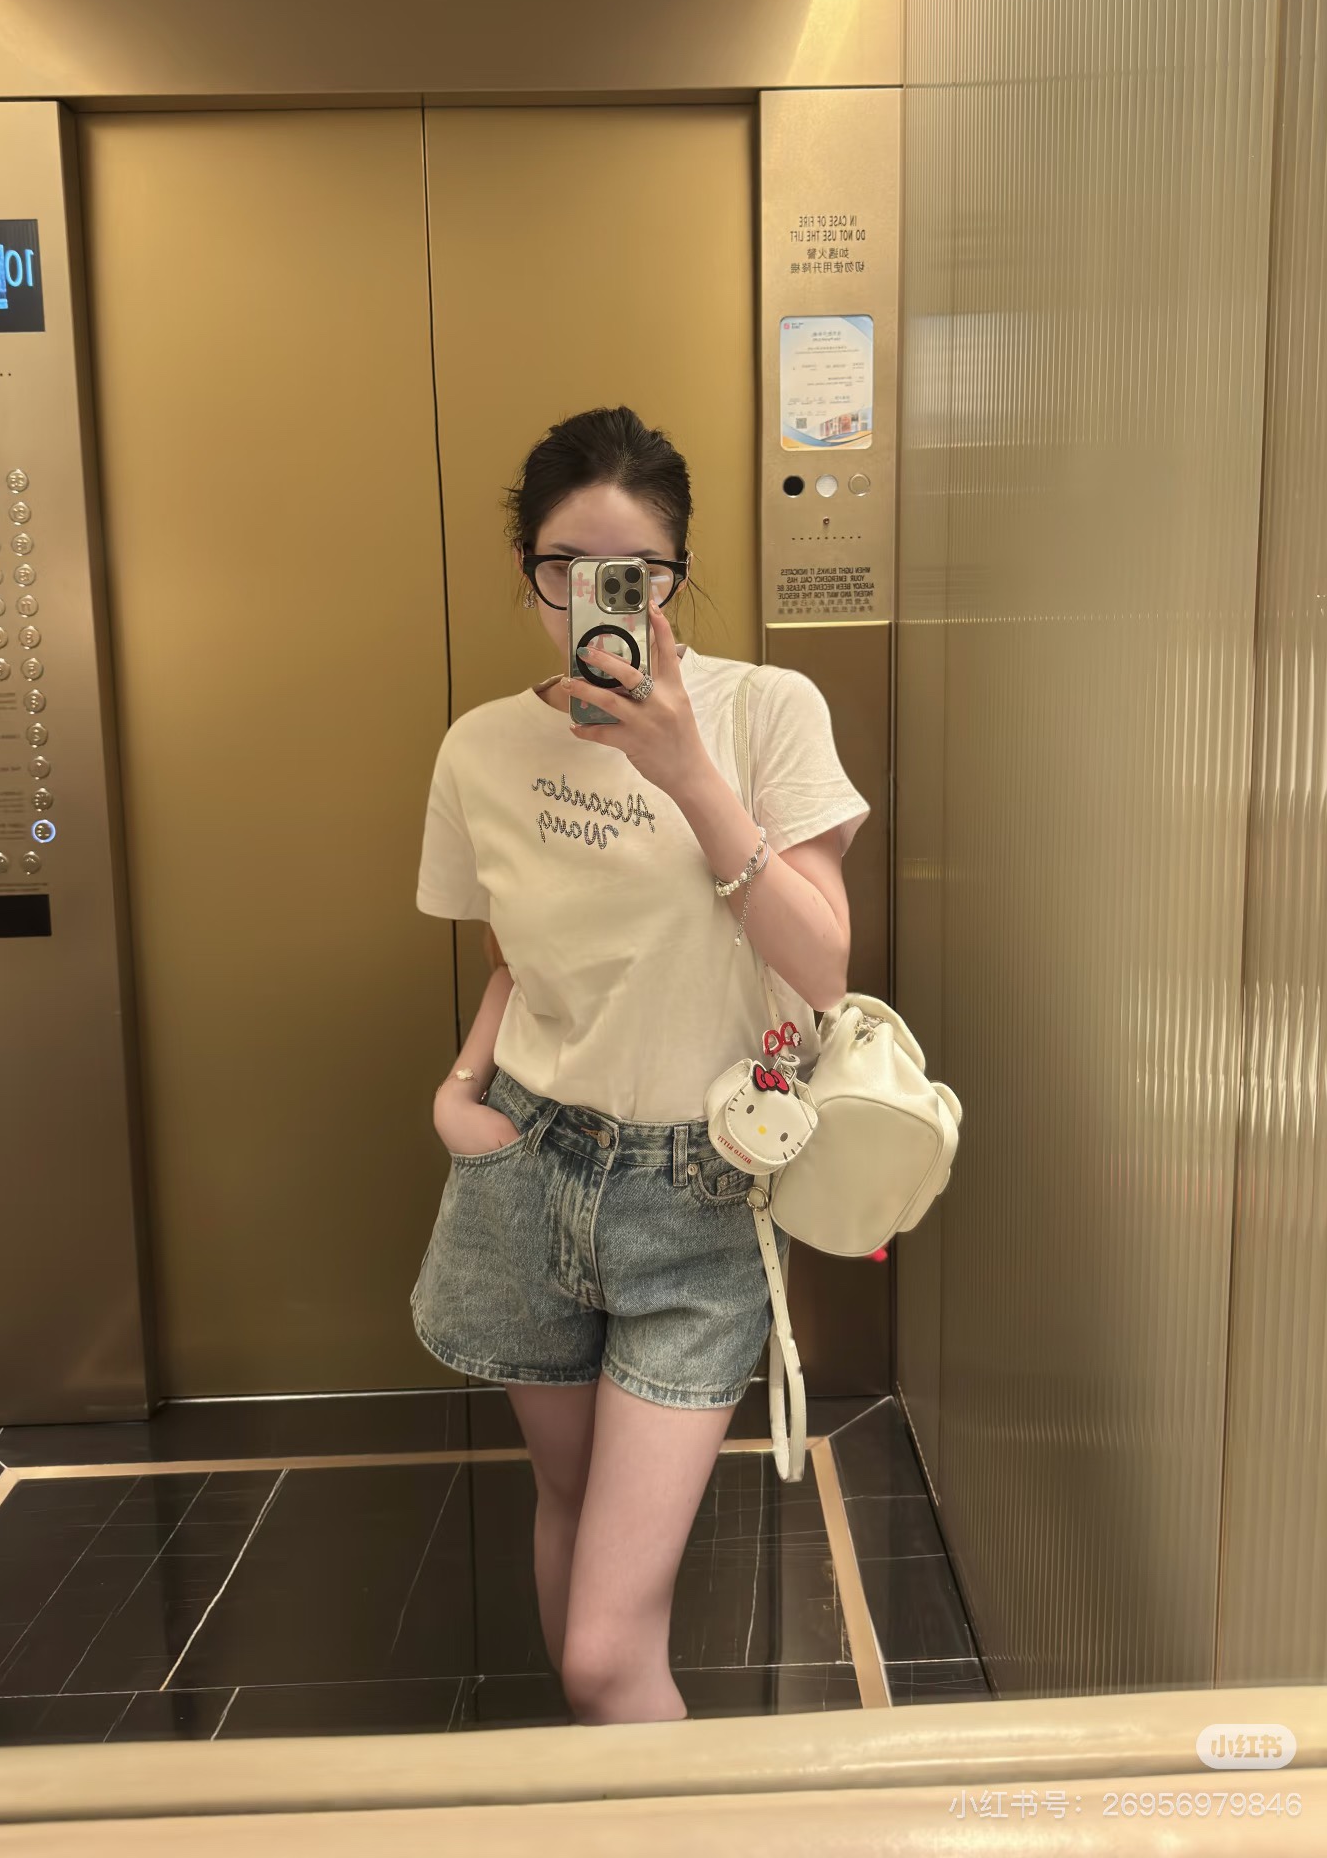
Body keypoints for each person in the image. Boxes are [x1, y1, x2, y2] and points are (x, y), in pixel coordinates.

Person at [411, 405, 869, 1726]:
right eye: (565, 569)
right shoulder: (480, 748)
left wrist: (685, 771)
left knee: (608, 1657)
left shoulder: (766, 711)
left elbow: (823, 964)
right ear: (530, 576)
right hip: (527, 1162)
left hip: (700, 1192)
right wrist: (459, 1093)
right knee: (563, 1503)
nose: (597, 599)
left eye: (634, 573)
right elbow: (518, 956)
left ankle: (652, 1799)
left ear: (676, 575)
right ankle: (598, 1801)